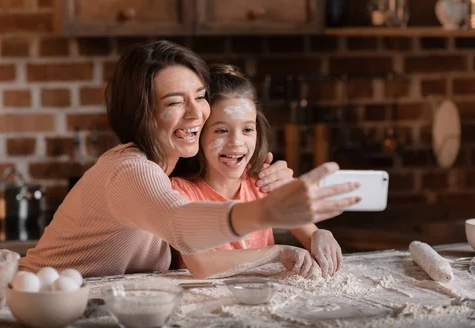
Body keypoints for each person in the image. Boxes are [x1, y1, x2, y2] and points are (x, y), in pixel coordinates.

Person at [19, 40, 360, 277]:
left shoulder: (169, 165)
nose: (197, 114)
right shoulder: (130, 170)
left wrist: (279, 190)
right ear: (142, 114)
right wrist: (268, 216)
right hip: (31, 302)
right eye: (174, 102)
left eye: (199, 97)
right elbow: (180, 224)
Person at [171, 64, 343, 279]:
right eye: (221, 130)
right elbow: (201, 265)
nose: (236, 142)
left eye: (247, 129)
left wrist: (320, 234)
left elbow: (310, 232)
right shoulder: (180, 192)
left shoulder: (263, 180)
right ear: (198, 133)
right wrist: (276, 253)